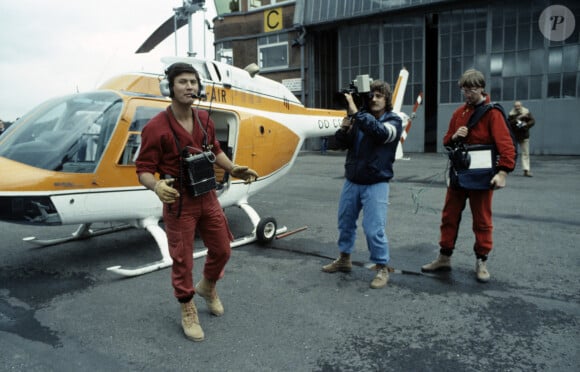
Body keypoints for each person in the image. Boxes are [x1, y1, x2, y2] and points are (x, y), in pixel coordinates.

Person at [135, 62, 258, 342]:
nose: (190, 86)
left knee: (223, 249)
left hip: (208, 196)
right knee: (183, 259)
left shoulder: (204, 119)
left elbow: (215, 150)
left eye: (193, 81)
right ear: (170, 87)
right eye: (183, 82)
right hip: (179, 202)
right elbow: (143, 168)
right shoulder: (156, 127)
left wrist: (233, 168)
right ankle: (186, 304)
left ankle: (208, 286)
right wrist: (156, 186)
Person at [421, 69, 516, 283]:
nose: (468, 94)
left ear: (482, 88)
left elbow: (506, 146)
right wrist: (455, 136)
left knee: (482, 220)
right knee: (449, 216)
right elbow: (446, 140)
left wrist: (502, 172)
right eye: (465, 90)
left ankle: (482, 261)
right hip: (459, 173)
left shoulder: (493, 113)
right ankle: (444, 257)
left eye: (472, 90)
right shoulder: (459, 114)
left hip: (482, 176)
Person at [321, 80, 403, 289]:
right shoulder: (358, 119)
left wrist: (357, 113)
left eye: (379, 96)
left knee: (374, 229)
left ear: (387, 100)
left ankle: (382, 267)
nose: (374, 99)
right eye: (372, 95)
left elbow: (380, 133)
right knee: (345, 222)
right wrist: (344, 127)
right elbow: (339, 145)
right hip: (352, 180)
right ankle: (344, 259)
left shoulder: (393, 120)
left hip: (376, 182)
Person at [508, 101, 535, 177]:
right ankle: (507, 168)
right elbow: (509, 124)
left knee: (525, 153)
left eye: (519, 106)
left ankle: (526, 171)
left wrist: (525, 124)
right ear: (514, 107)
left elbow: (533, 121)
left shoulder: (526, 112)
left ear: (521, 106)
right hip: (515, 136)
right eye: (516, 106)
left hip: (524, 136)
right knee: (511, 153)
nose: (517, 107)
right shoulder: (511, 114)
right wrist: (518, 118)